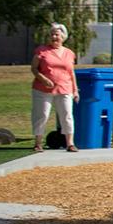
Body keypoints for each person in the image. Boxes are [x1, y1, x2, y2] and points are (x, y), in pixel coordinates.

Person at [30, 23, 79, 153]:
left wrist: (75, 90)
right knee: (42, 115)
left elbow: (71, 72)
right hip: (43, 89)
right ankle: (38, 143)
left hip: (64, 88)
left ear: (63, 37)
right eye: (52, 34)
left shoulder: (69, 53)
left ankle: (70, 143)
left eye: (56, 34)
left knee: (67, 115)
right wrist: (43, 79)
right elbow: (34, 68)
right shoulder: (42, 51)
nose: (54, 37)